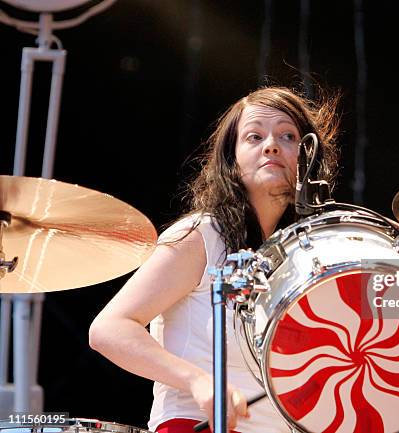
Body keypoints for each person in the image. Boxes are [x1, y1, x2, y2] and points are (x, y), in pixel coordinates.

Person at [89, 86, 340, 433]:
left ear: (308, 158)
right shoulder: (200, 236)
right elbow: (108, 329)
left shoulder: (307, 256)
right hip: (197, 424)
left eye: (288, 135)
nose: (271, 145)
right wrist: (199, 381)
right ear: (231, 160)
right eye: (254, 136)